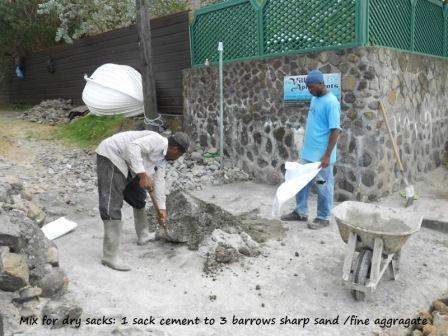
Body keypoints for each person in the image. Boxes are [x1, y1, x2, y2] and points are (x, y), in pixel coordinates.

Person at [96, 130, 190, 271]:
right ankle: (109, 256)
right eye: (180, 155)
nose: (178, 158)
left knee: (139, 197)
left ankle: (144, 235)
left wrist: (162, 208)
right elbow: (132, 147)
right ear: (176, 150)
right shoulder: (157, 141)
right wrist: (143, 176)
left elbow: (158, 181)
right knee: (112, 203)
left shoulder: (163, 159)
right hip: (113, 155)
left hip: (130, 164)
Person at [281, 70, 341, 229]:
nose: (309, 90)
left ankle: (323, 217)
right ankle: (300, 212)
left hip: (322, 157)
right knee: (300, 183)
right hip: (308, 153)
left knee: (323, 186)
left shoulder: (331, 102)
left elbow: (335, 130)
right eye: (307, 87)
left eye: (312, 87)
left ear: (321, 84)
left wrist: (327, 156)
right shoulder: (315, 99)